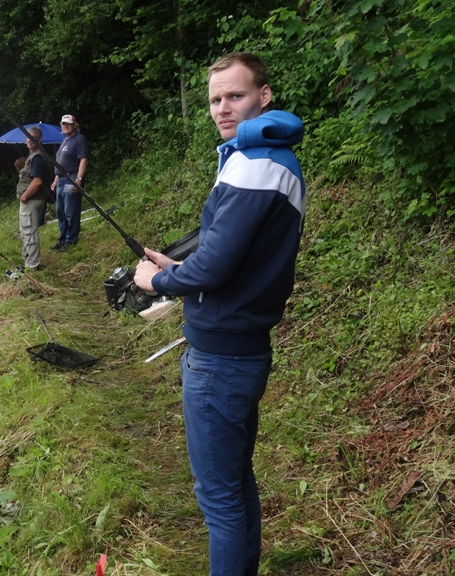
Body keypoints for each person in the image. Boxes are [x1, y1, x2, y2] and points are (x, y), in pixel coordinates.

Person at [133, 52, 306, 576]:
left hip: (220, 360)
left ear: (264, 96)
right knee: (235, 481)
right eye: (215, 99)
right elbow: (232, 257)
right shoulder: (262, 155)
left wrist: (157, 281)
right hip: (241, 348)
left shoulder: (254, 164)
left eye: (235, 95)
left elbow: (214, 268)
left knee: (219, 497)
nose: (222, 108)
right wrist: (182, 265)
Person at [50, 114, 89, 251]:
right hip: (61, 179)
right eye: (63, 124)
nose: (65, 126)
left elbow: (83, 159)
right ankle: (62, 239)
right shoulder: (64, 141)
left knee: (70, 211)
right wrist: (55, 180)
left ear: (74, 125)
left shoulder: (79, 139)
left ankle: (71, 240)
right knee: (60, 211)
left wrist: (78, 179)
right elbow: (60, 164)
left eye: (68, 123)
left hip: (71, 178)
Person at [16, 126, 52, 270]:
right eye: (28, 137)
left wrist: (25, 196)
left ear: (39, 140)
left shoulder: (37, 157)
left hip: (32, 199)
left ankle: (33, 265)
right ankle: (27, 261)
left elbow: (37, 181)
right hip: (31, 199)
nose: (30, 140)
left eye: (34, 138)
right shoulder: (33, 155)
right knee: (25, 231)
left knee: (29, 231)